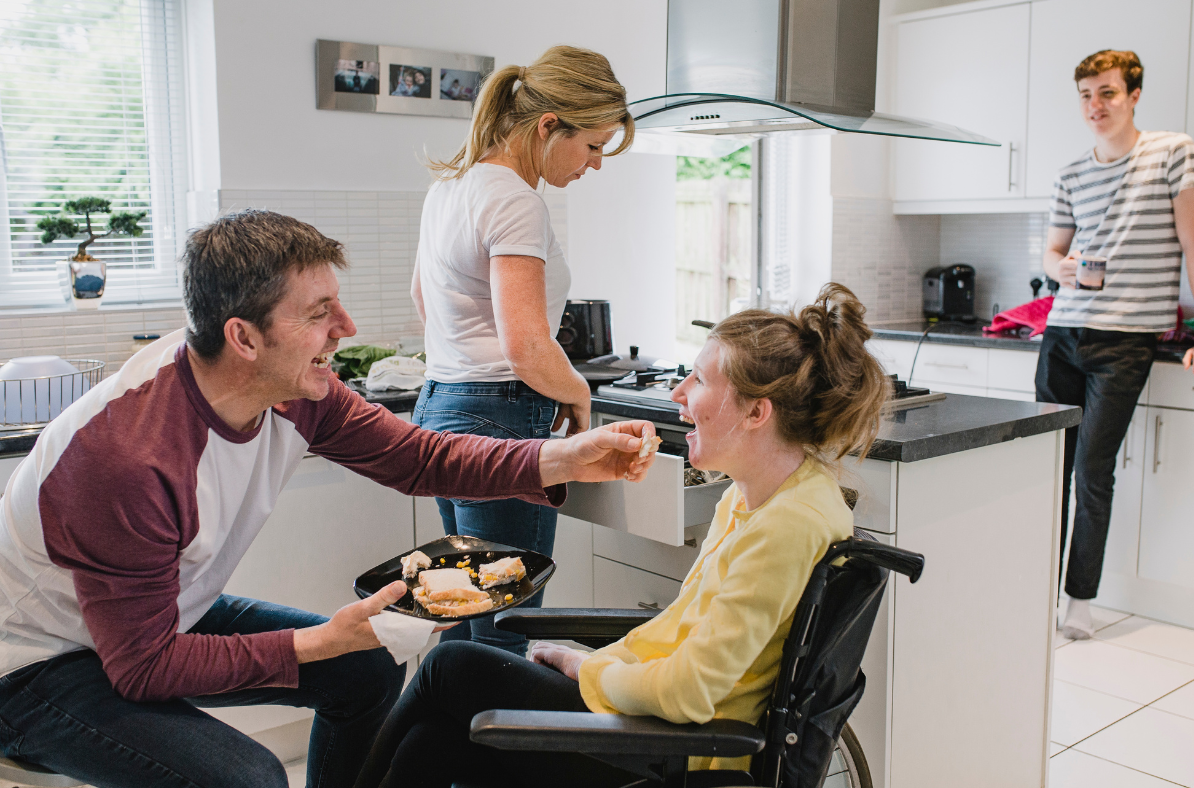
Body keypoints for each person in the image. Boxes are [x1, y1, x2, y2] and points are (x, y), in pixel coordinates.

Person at [0, 210, 658, 788]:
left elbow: (417, 456)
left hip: (161, 609)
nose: (345, 327)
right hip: (39, 661)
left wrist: (562, 455)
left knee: (365, 668)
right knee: (250, 777)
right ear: (245, 339)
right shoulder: (129, 460)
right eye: (319, 314)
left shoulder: (290, 386)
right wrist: (317, 641)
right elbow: (143, 667)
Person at [355, 284, 891, 788]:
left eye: (700, 380)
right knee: (433, 742)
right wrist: (596, 665)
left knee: (452, 666)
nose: (679, 392)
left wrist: (588, 669)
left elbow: (691, 691)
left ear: (757, 412)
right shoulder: (758, 496)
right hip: (651, 721)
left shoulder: (788, 525)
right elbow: (682, 632)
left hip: (681, 750)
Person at [410, 45, 634, 656]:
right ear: (547, 126)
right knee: (502, 634)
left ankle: (442, 753)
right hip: (503, 420)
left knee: (463, 614)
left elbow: (423, 301)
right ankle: (485, 753)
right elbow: (528, 343)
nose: (592, 165)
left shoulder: (449, 187)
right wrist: (580, 395)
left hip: (440, 411)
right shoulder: (514, 199)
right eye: (592, 146)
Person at [1038, 50, 1194, 639]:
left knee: (1092, 468)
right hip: (1063, 334)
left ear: (1134, 94)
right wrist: (1061, 269)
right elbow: (1051, 252)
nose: (1096, 105)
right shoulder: (1071, 173)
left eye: (1108, 93)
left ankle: (1078, 603)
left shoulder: (1172, 153)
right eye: (1087, 95)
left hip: (1125, 341)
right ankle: (1031, 592)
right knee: (1046, 469)